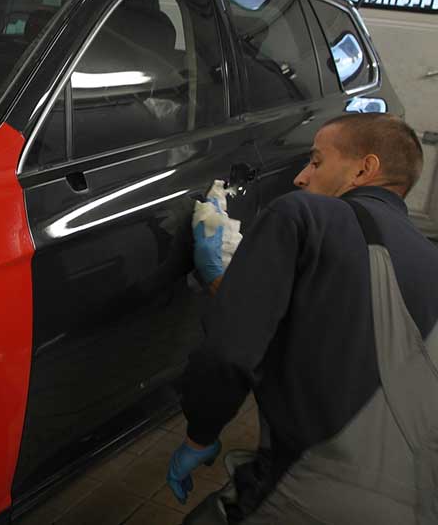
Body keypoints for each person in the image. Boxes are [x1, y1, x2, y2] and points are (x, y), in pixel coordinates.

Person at [170, 113, 437, 524]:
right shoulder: (429, 258)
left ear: (364, 169)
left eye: (316, 161)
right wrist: (225, 283)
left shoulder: (303, 214)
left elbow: (228, 352)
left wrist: (199, 433)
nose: (300, 177)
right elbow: (341, 329)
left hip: (314, 488)